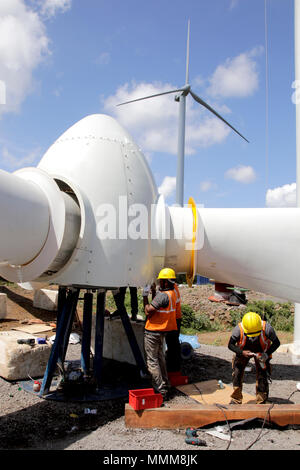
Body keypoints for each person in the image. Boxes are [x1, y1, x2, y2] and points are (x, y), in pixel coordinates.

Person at [228, 311, 280, 404]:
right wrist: (241, 352)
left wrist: (266, 354)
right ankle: (236, 398)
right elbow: (230, 345)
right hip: (243, 351)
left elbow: (277, 343)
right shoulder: (238, 330)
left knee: (262, 374)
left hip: (262, 352)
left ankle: (261, 400)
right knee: (237, 372)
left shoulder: (267, 329)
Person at [143, 268, 178, 400]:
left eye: (160, 281)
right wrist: (153, 292)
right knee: (160, 358)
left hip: (153, 331)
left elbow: (148, 311)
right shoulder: (172, 293)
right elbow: (158, 305)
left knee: (152, 361)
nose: (159, 283)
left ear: (164, 282)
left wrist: (144, 296)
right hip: (162, 331)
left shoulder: (163, 296)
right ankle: (166, 384)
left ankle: (159, 389)